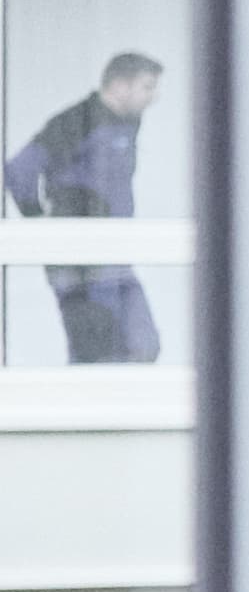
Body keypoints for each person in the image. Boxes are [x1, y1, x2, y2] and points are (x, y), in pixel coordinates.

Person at [8, 52, 157, 369]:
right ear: (120, 85)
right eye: (147, 87)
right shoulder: (77, 122)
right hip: (80, 262)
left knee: (143, 344)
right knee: (97, 355)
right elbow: (19, 171)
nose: (154, 97)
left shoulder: (125, 124)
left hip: (112, 255)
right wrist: (41, 223)